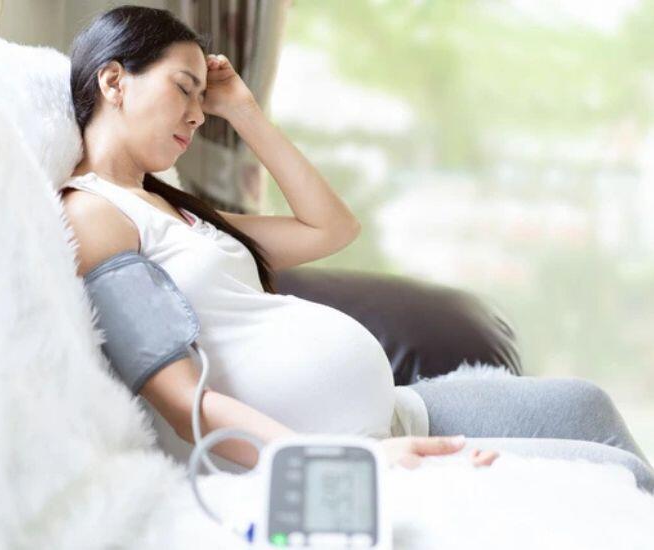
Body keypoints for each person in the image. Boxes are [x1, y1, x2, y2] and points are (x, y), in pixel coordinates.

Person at [59, 5, 653, 492]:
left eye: (201, 98)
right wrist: (344, 462)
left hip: (394, 414)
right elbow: (185, 404)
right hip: (336, 454)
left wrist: (243, 110)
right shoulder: (95, 215)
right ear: (114, 81)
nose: (196, 115)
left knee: (586, 405)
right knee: (617, 476)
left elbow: (330, 228)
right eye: (184, 90)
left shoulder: (174, 208)